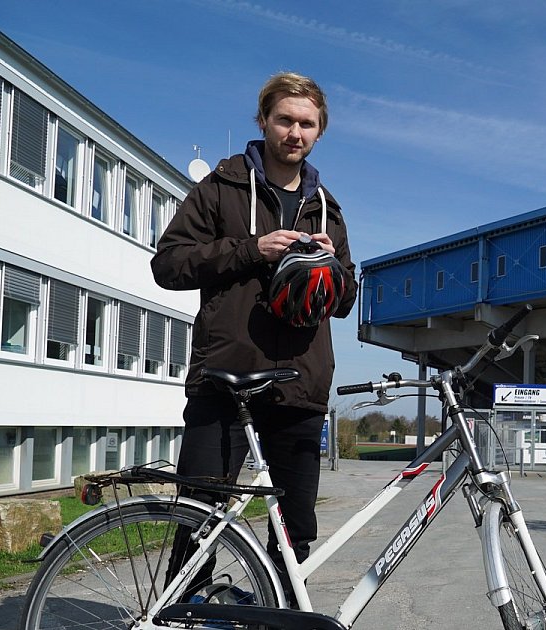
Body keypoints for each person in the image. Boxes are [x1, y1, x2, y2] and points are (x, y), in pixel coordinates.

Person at [150, 71, 356, 604]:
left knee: (293, 531)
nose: (295, 132)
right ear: (263, 121)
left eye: (307, 123)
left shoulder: (328, 208)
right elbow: (168, 265)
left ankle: (278, 614)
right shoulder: (220, 187)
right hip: (226, 377)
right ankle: (182, 610)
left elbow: (347, 299)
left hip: (300, 383)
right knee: (199, 516)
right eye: (285, 120)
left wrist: (330, 271)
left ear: (320, 131)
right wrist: (250, 249)